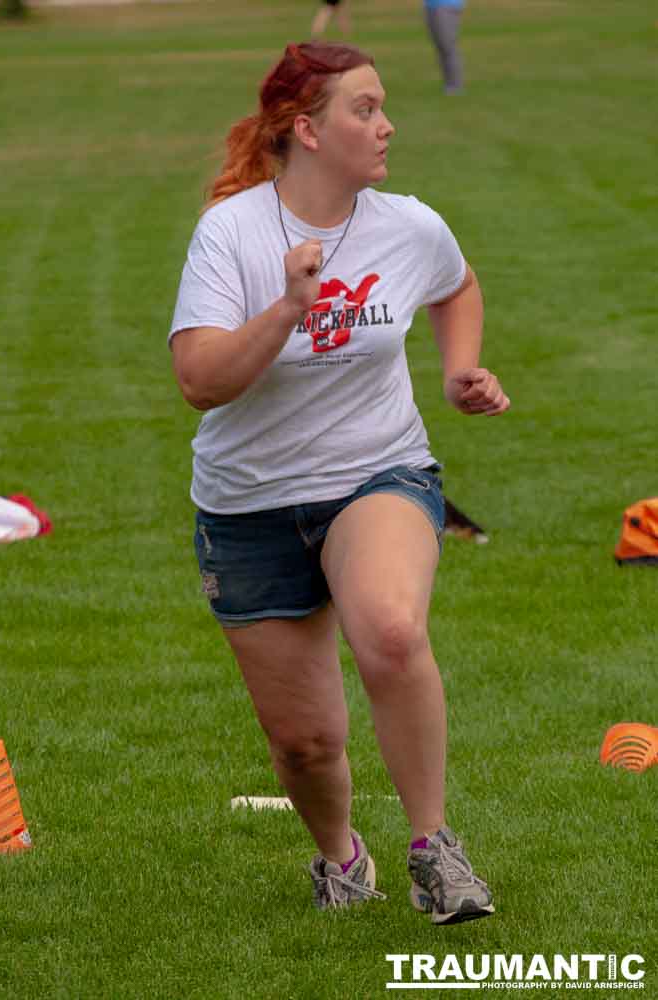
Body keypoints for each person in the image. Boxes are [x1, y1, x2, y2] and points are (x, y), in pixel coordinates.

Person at [169, 41, 510, 924]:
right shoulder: (232, 233)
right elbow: (199, 381)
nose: (386, 124)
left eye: (382, 105)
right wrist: (288, 308)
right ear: (306, 130)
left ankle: (434, 850)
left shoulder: (409, 225)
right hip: (248, 504)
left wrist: (458, 371)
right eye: (365, 109)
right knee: (306, 744)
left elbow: (456, 284)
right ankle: (340, 856)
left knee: (391, 631)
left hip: (377, 470)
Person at [424, 0, 465, 95]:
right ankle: (449, 84)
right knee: (441, 47)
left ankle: (455, 86)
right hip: (431, 5)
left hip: (446, 5)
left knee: (447, 46)